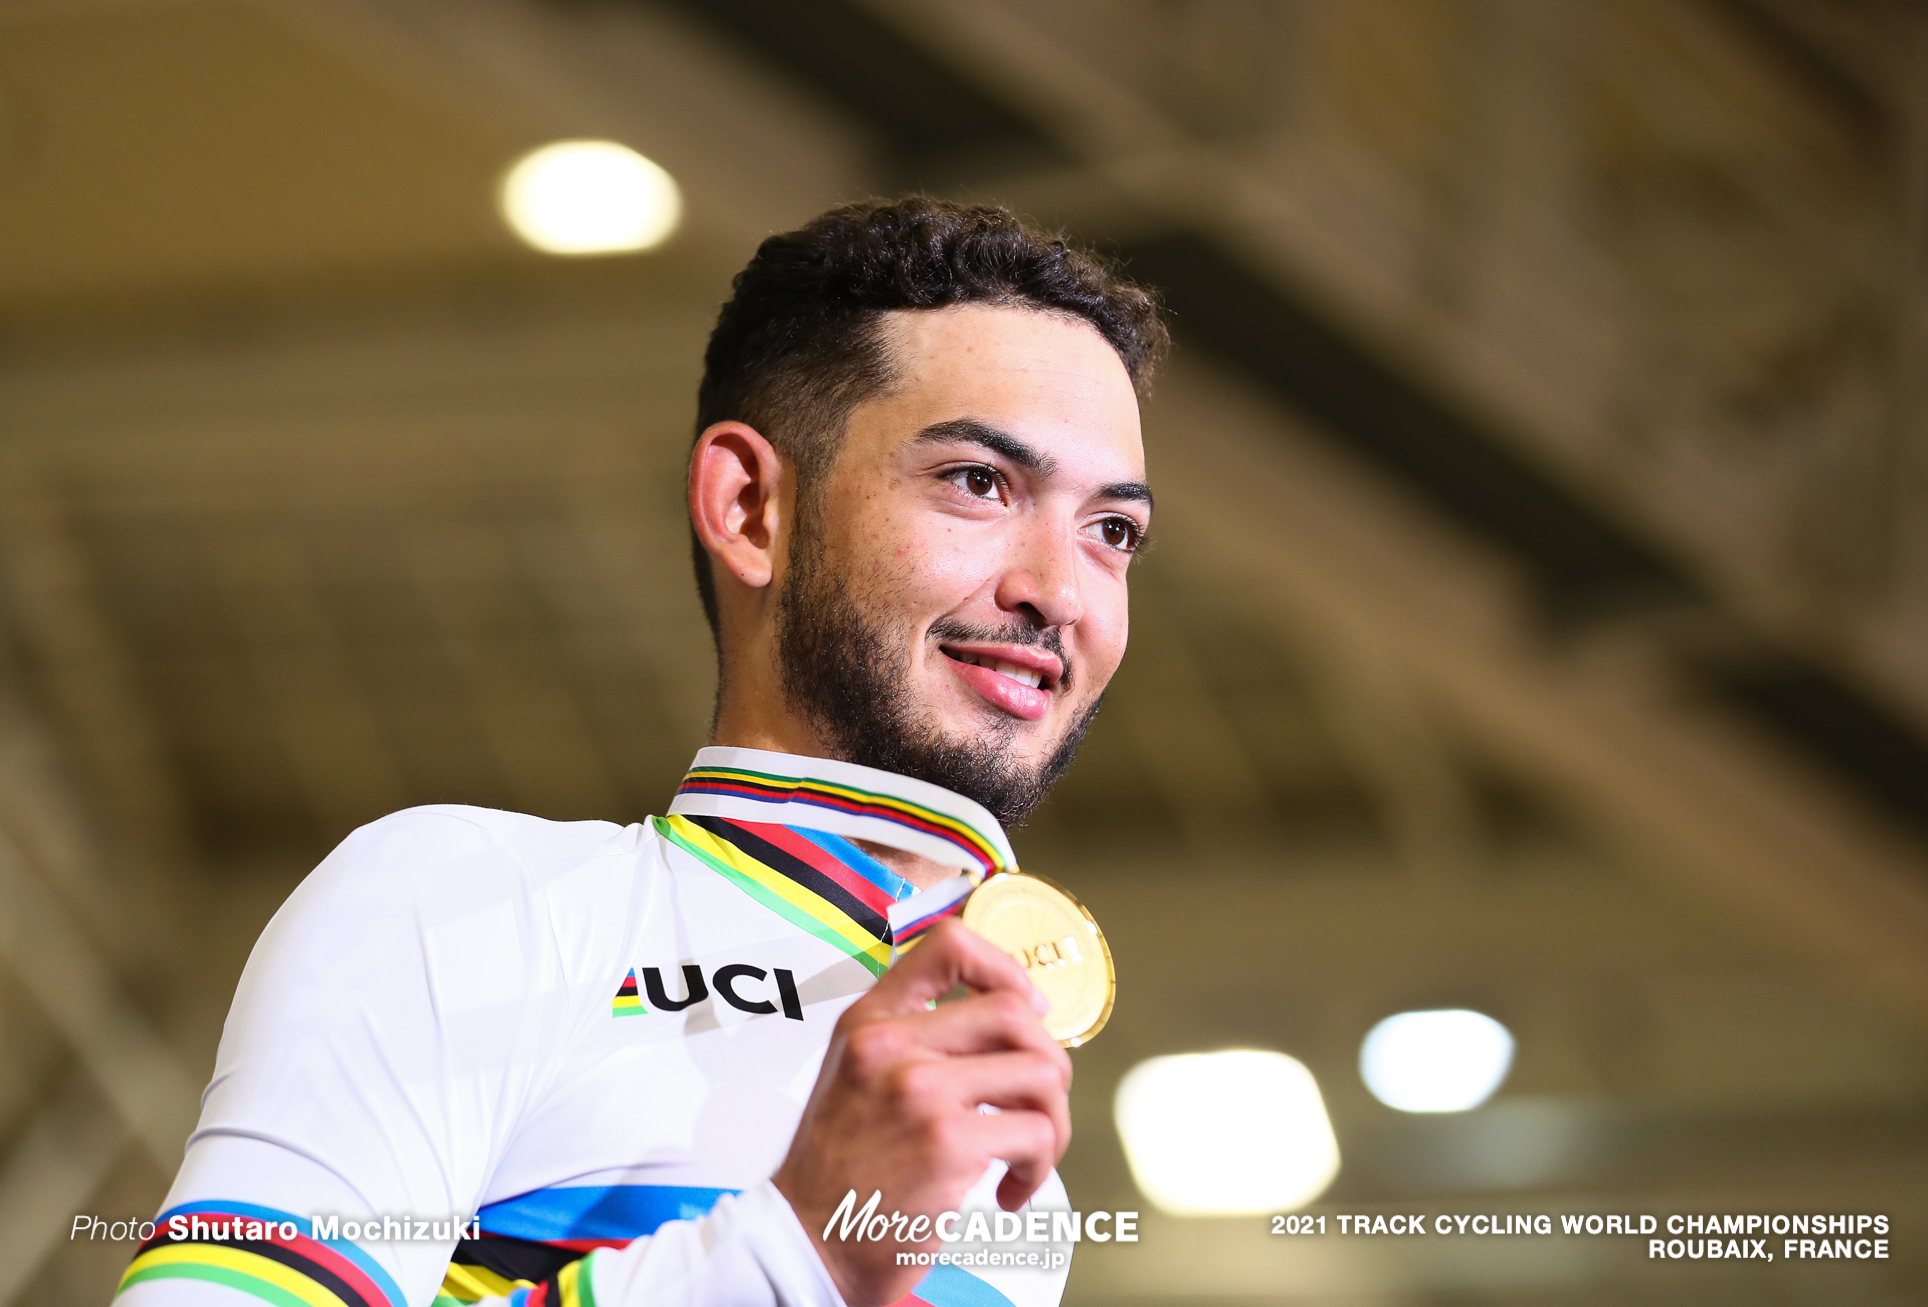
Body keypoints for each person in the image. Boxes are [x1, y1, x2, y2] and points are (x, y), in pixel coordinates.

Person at [115, 198, 1166, 1307]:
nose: (1057, 590)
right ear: (750, 505)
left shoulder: (1013, 1169)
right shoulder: (469, 901)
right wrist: (787, 1249)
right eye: (978, 482)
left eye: (1113, 532)